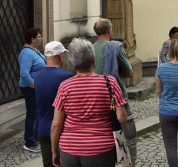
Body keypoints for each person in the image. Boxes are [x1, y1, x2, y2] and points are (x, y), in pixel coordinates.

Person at [51, 38, 127, 167]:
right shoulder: (110, 82)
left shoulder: (65, 86)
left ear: (73, 62)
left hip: (70, 149)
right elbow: (122, 118)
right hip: (101, 149)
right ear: (93, 60)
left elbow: (56, 124)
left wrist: (54, 151)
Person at [93, 18, 137, 167]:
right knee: (128, 133)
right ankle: (131, 163)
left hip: (97, 97)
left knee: (102, 133)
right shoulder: (116, 47)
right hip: (116, 97)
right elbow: (130, 73)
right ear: (109, 30)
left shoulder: (90, 48)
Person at [35, 41, 73, 167]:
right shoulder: (67, 76)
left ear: (45, 56)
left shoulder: (37, 76)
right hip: (63, 130)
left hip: (43, 129)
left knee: (48, 164)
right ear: (61, 55)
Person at [19, 28, 46, 153]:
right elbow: (24, 73)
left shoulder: (34, 50)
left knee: (37, 113)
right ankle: (29, 142)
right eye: (39, 36)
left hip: (37, 87)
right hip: (30, 88)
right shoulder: (26, 53)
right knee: (32, 114)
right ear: (32, 39)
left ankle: (35, 136)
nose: (41, 38)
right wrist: (34, 85)